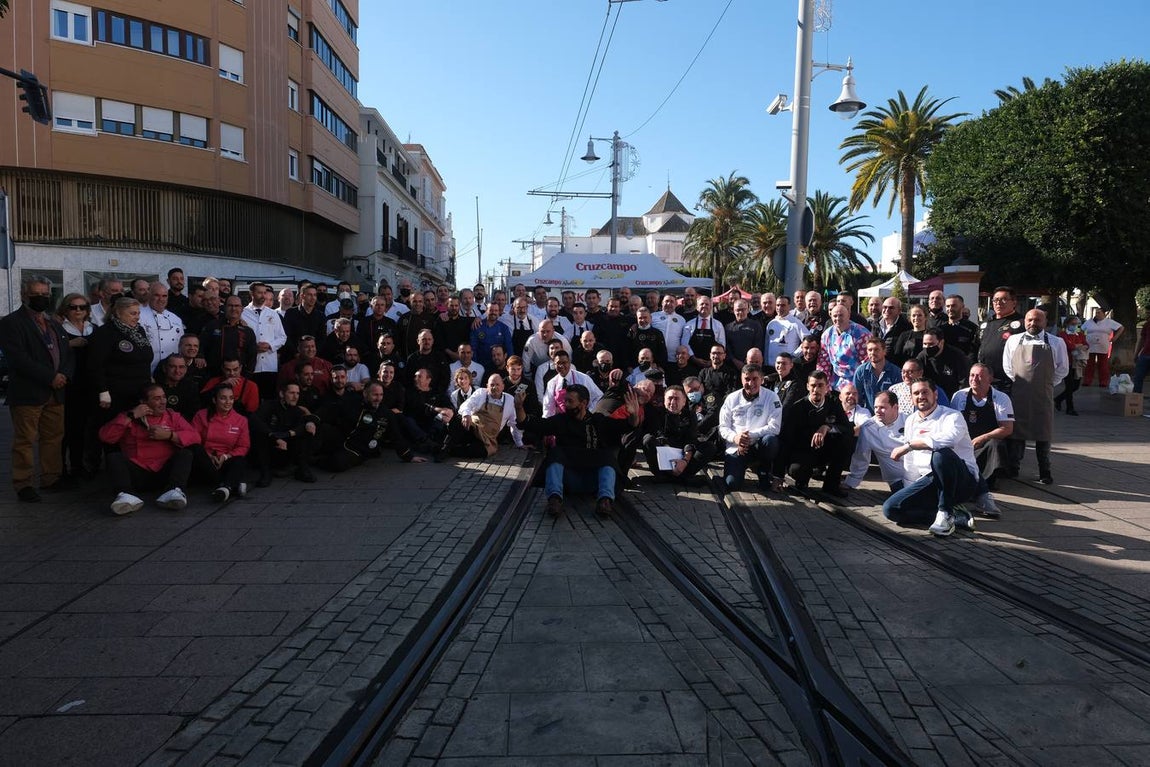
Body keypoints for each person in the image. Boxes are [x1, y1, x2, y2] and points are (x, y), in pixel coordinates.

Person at [0, 276, 76, 502]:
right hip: (28, 392)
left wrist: (64, 375)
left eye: (45, 294)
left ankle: (51, 478)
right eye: (37, 294)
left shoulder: (53, 322)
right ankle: (23, 483)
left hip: (56, 391)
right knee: (25, 440)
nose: (42, 298)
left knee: (53, 437)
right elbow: (18, 358)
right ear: (24, 295)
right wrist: (50, 377)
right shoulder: (11, 322)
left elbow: (66, 352)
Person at [518, 383, 640, 518]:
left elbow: (628, 426)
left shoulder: (598, 421)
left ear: (584, 403)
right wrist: (518, 407)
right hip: (569, 480)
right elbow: (532, 424)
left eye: (570, 401)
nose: (565, 404)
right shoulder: (560, 421)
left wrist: (633, 414)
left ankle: (605, 500)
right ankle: (555, 499)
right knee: (554, 453)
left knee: (607, 458)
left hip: (593, 481)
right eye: (565, 400)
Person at [882, 379, 984, 537]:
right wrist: (910, 490)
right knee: (891, 509)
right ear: (911, 398)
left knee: (940, 454)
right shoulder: (911, 420)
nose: (921, 396)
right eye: (916, 393)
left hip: (961, 481)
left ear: (935, 395)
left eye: (925, 392)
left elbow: (949, 440)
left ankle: (945, 512)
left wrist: (909, 445)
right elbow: (910, 463)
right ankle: (956, 517)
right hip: (930, 481)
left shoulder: (952, 416)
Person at [98, 383, 198, 514]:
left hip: (164, 472)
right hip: (138, 472)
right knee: (113, 457)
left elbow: (195, 437)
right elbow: (105, 437)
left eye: (163, 397)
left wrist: (169, 435)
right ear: (143, 402)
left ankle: (175, 491)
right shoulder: (129, 417)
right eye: (156, 398)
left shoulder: (172, 416)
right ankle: (126, 495)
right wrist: (130, 416)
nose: (162, 402)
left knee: (186, 454)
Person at [1003, 308, 1068, 484]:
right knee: (1017, 433)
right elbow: (1008, 367)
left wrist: (1046, 383)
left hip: (1043, 395)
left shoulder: (1056, 342)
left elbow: (1062, 369)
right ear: (1025, 321)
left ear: (1045, 322)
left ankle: (1045, 471)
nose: (1033, 323)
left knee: (1043, 433)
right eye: (1030, 320)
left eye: (1037, 320)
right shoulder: (1013, 340)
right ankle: (1013, 469)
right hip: (1019, 394)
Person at [775, 371, 852, 497]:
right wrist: (778, 476)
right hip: (803, 450)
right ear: (807, 387)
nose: (816, 389)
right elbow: (786, 440)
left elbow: (847, 427)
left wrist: (827, 427)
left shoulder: (833, 403)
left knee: (845, 440)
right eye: (813, 385)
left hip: (825, 448)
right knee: (797, 470)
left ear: (827, 387)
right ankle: (802, 482)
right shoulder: (797, 408)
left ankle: (831, 485)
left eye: (820, 385)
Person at [950, 364, 1012, 515]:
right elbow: (951, 423)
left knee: (996, 445)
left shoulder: (1001, 398)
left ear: (990, 379)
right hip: (964, 443)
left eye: (979, 376)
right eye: (972, 375)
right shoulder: (959, 396)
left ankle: (986, 484)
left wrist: (984, 437)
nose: (974, 379)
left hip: (986, 444)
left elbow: (1007, 428)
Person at [718, 364, 782, 493]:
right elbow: (723, 427)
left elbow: (775, 428)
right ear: (741, 379)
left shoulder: (772, 397)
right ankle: (740, 467)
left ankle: (763, 468)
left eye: (755, 379)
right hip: (736, 447)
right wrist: (736, 438)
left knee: (771, 441)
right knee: (732, 484)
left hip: (759, 444)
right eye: (747, 379)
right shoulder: (731, 398)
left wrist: (748, 436)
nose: (750, 383)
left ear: (762, 379)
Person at [88, 297, 155, 419]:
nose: (137, 317)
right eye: (133, 313)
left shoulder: (139, 330)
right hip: (116, 392)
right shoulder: (105, 332)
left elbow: (144, 357)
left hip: (140, 390)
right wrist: (103, 391)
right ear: (118, 313)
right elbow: (96, 364)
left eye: (138, 313)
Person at [56, 292, 96, 480]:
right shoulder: (58, 329)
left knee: (83, 429)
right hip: (67, 386)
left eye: (82, 307)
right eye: (73, 307)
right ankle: (59, 468)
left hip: (88, 386)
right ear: (66, 309)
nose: (78, 310)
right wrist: (70, 344)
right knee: (65, 429)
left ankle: (79, 465)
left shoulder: (93, 328)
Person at [641, 385, 714, 484]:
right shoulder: (657, 413)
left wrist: (685, 460)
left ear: (684, 402)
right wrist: (670, 457)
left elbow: (691, 439)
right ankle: (666, 476)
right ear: (664, 400)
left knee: (709, 447)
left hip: (683, 454)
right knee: (648, 439)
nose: (673, 403)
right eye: (670, 398)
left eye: (677, 399)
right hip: (664, 453)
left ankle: (680, 476)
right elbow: (659, 434)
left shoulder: (690, 415)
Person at [248, 382, 318, 485]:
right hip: (269, 448)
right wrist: (273, 436)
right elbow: (255, 420)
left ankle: (303, 469)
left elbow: (301, 426)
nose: (295, 397)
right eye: (291, 393)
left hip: (286, 449)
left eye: (297, 393)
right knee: (260, 435)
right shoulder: (269, 406)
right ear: (282, 394)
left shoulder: (297, 411)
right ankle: (265, 473)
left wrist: (289, 434)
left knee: (306, 432)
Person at [190, 384, 251, 502]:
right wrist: (208, 456)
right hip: (205, 460)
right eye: (223, 398)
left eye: (231, 398)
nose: (228, 402)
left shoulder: (241, 420)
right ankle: (232, 483)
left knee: (240, 460)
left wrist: (225, 456)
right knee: (194, 449)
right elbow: (194, 439)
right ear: (214, 400)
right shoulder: (201, 415)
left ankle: (225, 488)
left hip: (225, 460)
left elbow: (244, 446)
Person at [443, 373, 524, 458]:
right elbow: (466, 405)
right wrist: (466, 415)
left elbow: (513, 424)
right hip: (473, 428)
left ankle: (450, 451)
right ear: (487, 386)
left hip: (487, 438)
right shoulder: (481, 393)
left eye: (497, 385)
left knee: (480, 452)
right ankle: (445, 449)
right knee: (457, 420)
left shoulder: (510, 400)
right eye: (492, 385)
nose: (494, 387)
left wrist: (519, 444)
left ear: (503, 386)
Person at [844, 390, 907, 492]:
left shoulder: (909, 421)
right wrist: (850, 482)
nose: (877, 411)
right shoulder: (868, 428)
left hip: (919, 476)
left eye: (882, 408)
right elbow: (861, 456)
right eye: (875, 407)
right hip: (897, 481)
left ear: (895, 407)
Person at [242, 281, 287, 400]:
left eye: (264, 293)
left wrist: (270, 345)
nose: (263, 296)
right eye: (259, 293)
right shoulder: (243, 313)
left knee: (268, 398)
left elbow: (282, 337)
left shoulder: (272, 314)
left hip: (269, 365)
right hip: (252, 365)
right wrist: (253, 347)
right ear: (251, 293)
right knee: (251, 398)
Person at [977, 286, 1025, 392]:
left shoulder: (1022, 323)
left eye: (1003, 299)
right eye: (996, 300)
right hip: (985, 378)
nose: (998, 303)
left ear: (1014, 302)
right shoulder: (987, 322)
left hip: (1007, 381)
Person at [816, 304, 871, 390]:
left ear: (848, 315)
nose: (837, 318)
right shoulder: (827, 334)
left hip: (856, 381)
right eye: (835, 316)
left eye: (841, 315)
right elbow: (823, 361)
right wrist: (823, 383)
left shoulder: (861, 334)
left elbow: (867, 363)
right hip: (835, 382)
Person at [202, 295, 257, 375]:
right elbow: (202, 345)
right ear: (224, 307)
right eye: (230, 305)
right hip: (214, 374)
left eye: (237, 306)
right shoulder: (212, 326)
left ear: (242, 309)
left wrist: (248, 373)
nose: (233, 309)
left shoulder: (248, 331)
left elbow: (252, 356)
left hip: (239, 376)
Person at [139, 281, 185, 374]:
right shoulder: (139, 316)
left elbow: (181, 345)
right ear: (149, 296)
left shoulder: (175, 319)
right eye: (157, 295)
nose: (161, 299)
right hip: (146, 370)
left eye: (164, 296)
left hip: (170, 372)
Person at [540, 350, 602, 417]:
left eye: (564, 363)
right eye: (558, 363)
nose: (561, 366)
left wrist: (588, 412)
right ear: (554, 365)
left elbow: (599, 396)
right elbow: (548, 407)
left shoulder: (583, 378)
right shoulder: (552, 383)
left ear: (569, 363)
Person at [916, 328, 970, 397]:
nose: (927, 347)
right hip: (929, 396)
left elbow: (964, 382)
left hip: (951, 396)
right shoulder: (922, 357)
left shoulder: (957, 356)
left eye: (931, 344)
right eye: (925, 344)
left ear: (941, 342)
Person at [852, 338, 901, 412]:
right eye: (870, 350)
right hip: (869, 416)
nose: (872, 353)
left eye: (876, 350)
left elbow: (899, 398)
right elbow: (857, 398)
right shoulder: (861, 372)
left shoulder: (895, 372)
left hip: (890, 417)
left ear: (884, 351)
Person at [1081, 306, 1124, 388]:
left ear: (1104, 314)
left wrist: (1115, 337)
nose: (1097, 314)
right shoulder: (1090, 322)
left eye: (1099, 313)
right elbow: (1082, 329)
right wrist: (1083, 338)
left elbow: (1121, 328)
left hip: (1103, 345)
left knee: (1103, 364)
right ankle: (1087, 380)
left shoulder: (1109, 322)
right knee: (1090, 364)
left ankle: (1103, 381)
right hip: (1090, 345)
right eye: (1096, 312)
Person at [681, 296, 726, 368]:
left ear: (711, 307)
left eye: (707, 304)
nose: (704, 306)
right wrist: (694, 358)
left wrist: (712, 360)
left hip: (712, 365)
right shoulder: (689, 324)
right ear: (697, 307)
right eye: (702, 304)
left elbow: (722, 344)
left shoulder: (718, 325)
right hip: (692, 364)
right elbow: (685, 344)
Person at [1055, 315, 1087, 415]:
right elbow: (1068, 346)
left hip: (1077, 363)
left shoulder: (1080, 335)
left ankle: (1058, 399)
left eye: (1077, 324)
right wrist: (1078, 346)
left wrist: (1079, 346)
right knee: (1069, 385)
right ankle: (1070, 407)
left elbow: (1086, 344)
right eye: (1073, 324)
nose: (1075, 326)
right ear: (1067, 324)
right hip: (1067, 362)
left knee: (1076, 386)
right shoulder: (1062, 334)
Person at [156, 353, 201, 421]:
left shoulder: (191, 387)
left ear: (186, 369)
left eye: (181, 367)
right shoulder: (155, 387)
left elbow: (193, 413)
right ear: (164, 368)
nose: (177, 371)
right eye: (173, 366)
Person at [941, 294, 980, 361]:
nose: (950, 309)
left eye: (953, 306)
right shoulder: (941, 328)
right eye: (947, 306)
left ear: (962, 307)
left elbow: (974, 351)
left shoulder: (973, 328)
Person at [873, 296, 911, 361]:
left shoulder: (906, 327)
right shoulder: (875, 324)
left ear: (899, 311)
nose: (887, 310)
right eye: (885, 307)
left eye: (891, 308)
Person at [1133, 318, 1150, 396]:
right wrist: (1136, 354)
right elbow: (1142, 339)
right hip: (1145, 354)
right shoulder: (1147, 324)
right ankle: (1136, 399)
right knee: (1138, 377)